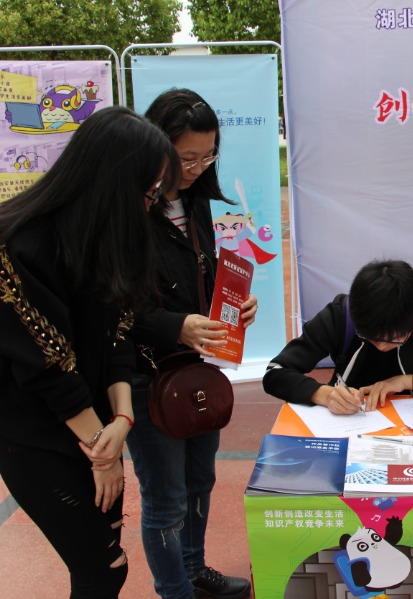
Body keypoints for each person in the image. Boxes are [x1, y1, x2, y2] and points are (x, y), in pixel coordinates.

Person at [0, 106, 180, 599]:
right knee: (102, 570)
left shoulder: (104, 238)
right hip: (36, 432)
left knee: (108, 561)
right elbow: (49, 368)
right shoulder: (11, 249)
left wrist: (122, 421)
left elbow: (119, 333)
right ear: (111, 183)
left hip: (97, 424)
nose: (150, 205)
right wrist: (103, 452)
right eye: (146, 192)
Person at [128, 89, 257, 599]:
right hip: (146, 374)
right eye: (187, 158)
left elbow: (202, 273)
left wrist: (235, 304)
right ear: (154, 147)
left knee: (200, 480)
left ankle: (194, 569)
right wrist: (173, 325)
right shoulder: (129, 210)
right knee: (165, 497)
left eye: (208, 157)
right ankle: (174, 589)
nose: (198, 169)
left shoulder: (198, 199)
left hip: (197, 368)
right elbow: (109, 305)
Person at [263, 259, 413, 412]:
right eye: (370, 337)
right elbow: (275, 372)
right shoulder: (340, 315)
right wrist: (323, 394)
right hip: (350, 420)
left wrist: (405, 381)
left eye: (394, 339)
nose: (382, 347)